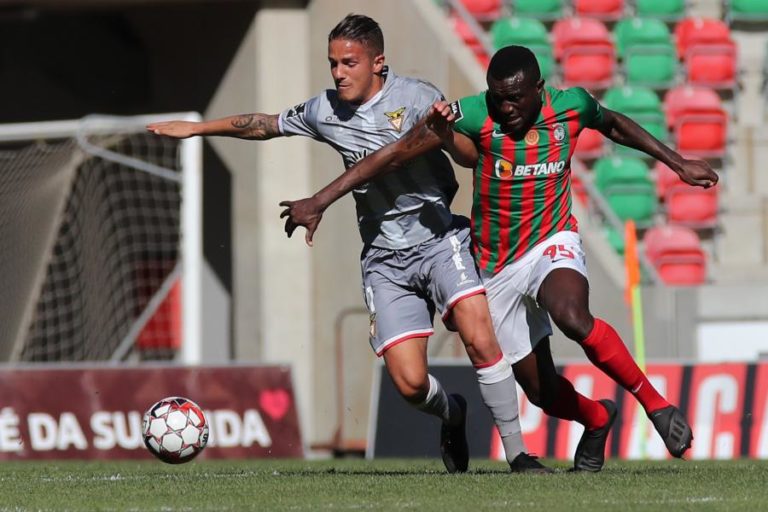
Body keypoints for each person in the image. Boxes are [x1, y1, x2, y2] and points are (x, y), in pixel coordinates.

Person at [280, 45, 716, 471]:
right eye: (497, 97)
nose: (505, 107)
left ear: (539, 89)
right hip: (494, 266)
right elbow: (394, 152)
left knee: (571, 314)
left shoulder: (571, 106)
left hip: (551, 240)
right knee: (540, 390)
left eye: (514, 98)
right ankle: (598, 419)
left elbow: (614, 124)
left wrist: (677, 164)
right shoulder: (470, 112)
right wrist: (321, 199)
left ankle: (656, 405)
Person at [148, 16, 547, 474]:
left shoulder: (418, 97)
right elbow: (265, 124)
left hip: (440, 240)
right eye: (333, 63)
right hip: (384, 258)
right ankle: (452, 412)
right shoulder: (325, 110)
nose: (338, 73)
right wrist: (196, 129)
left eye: (349, 63)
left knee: (478, 335)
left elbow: (471, 156)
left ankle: (518, 455)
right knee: (412, 384)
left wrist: (445, 135)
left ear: (379, 62)